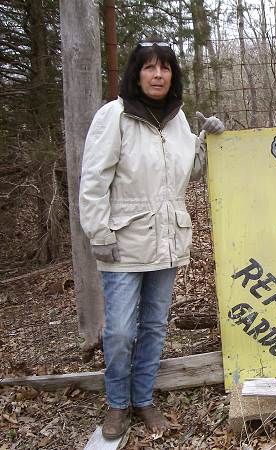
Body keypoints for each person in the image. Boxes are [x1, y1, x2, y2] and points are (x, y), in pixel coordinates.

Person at [79, 40, 224, 439]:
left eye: (165, 68)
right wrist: (98, 231)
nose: (158, 75)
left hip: (167, 240)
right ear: (136, 73)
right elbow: (94, 180)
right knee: (122, 331)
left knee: (155, 326)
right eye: (149, 68)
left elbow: (190, 173)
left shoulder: (178, 121)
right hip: (123, 240)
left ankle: (143, 400)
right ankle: (116, 405)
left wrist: (206, 141)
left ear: (173, 75)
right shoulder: (114, 116)